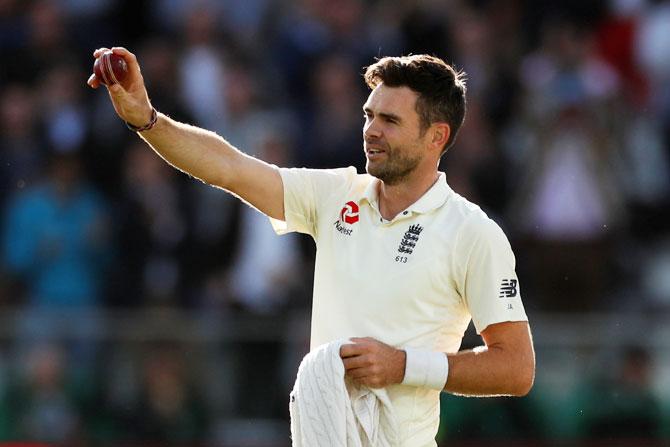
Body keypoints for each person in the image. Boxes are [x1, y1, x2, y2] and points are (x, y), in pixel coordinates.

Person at [88, 47, 535, 446]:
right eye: (368, 115)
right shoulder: (337, 195)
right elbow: (229, 168)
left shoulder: (472, 232)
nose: (371, 131)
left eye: (390, 120)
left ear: (436, 137)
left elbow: (516, 369)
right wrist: (145, 117)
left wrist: (404, 366)